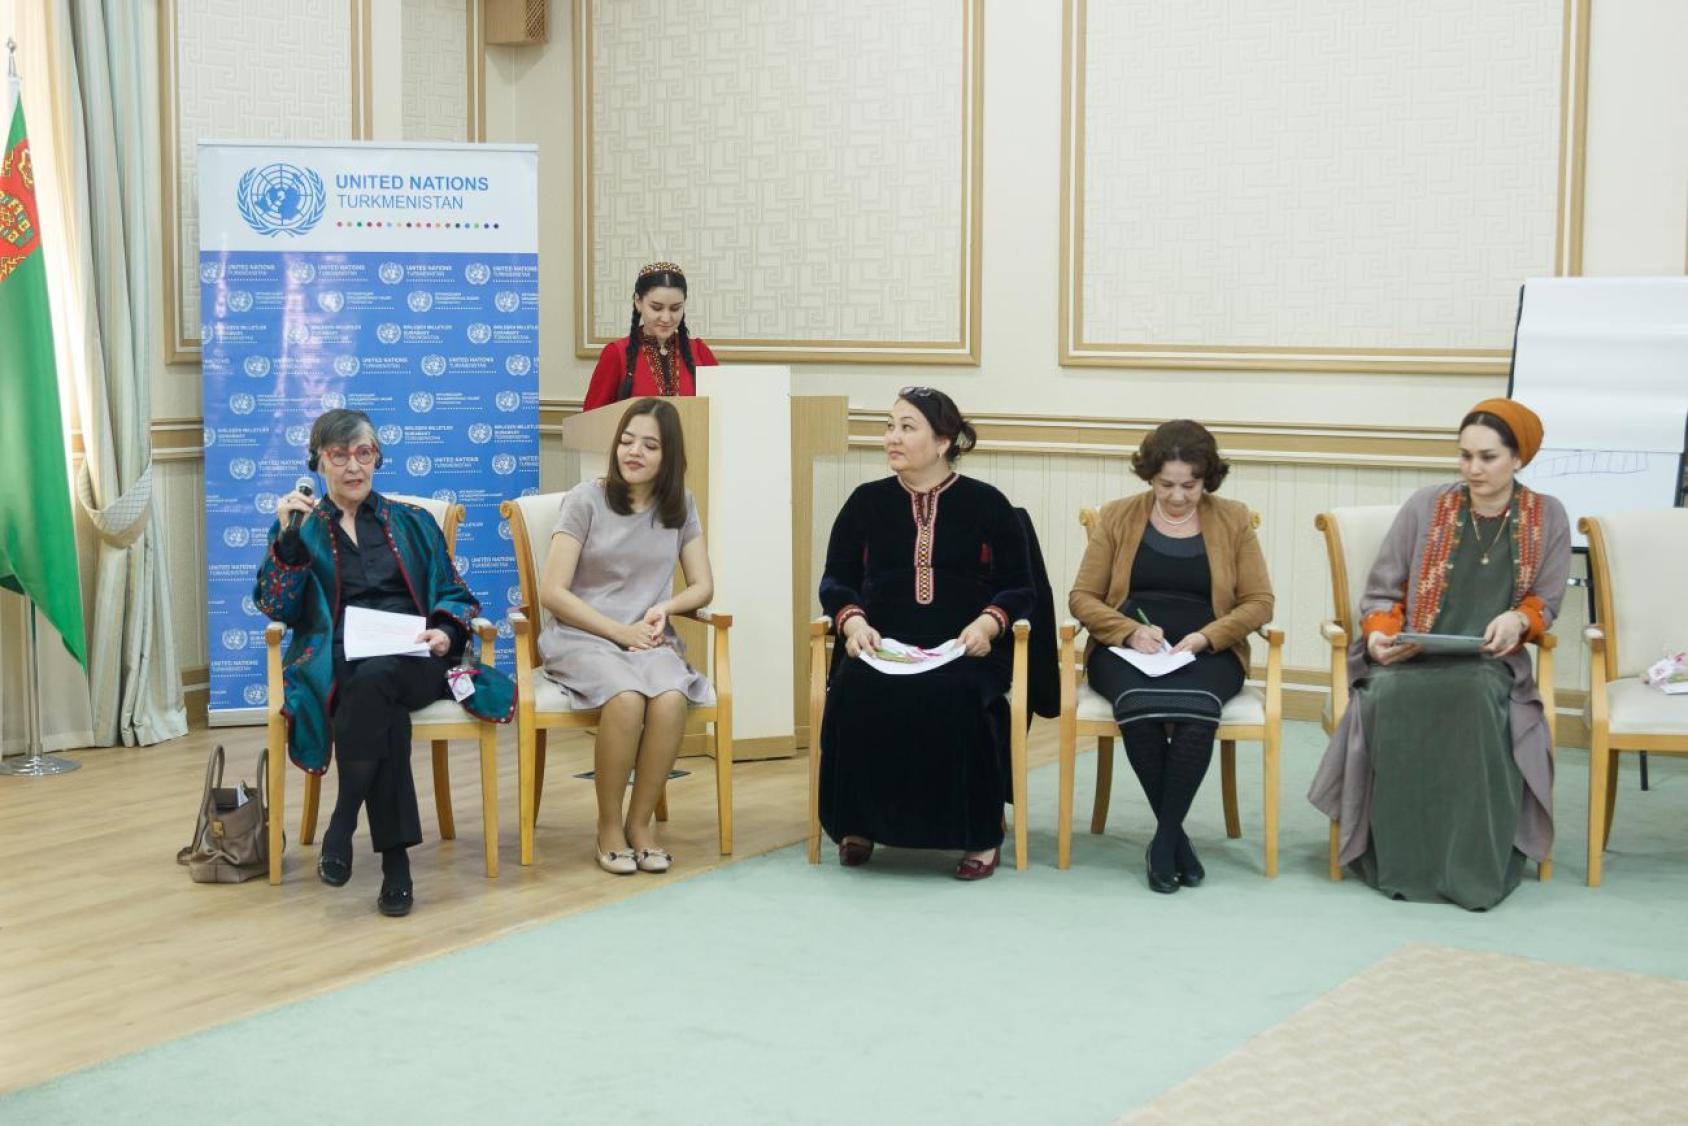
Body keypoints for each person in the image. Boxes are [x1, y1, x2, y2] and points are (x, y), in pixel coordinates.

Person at [1308, 398, 1571, 910]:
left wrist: (1518, 620)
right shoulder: (1426, 506)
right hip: (1411, 658)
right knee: (1384, 695)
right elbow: (1382, 593)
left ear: (1518, 459)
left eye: (1488, 457)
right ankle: (1398, 863)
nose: (1473, 469)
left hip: (1491, 667)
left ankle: (1473, 869)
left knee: (1475, 696)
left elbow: (1547, 601)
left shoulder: (1547, 516)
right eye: (1465, 456)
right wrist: (1382, 634)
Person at [254, 409, 514, 917]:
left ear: (377, 459)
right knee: (380, 706)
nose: (354, 466)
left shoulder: (412, 523)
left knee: (378, 681)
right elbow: (278, 607)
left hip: (415, 657)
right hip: (340, 662)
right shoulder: (300, 529)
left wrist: (446, 630)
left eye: (364, 453)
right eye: (339, 454)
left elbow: (454, 593)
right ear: (318, 462)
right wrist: (287, 544)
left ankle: (343, 820)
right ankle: (396, 866)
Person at [818, 387, 1033, 880]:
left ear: (944, 441)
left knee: (958, 697)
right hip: (880, 643)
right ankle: (861, 823)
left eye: (906, 427)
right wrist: (852, 621)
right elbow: (835, 579)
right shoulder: (865, 502)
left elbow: (1020, 586)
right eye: (889, 426)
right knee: (856, 691)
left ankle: (978, 831)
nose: (891, 438)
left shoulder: (988, 504)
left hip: (964, 647)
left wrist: (988, 623)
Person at [1068, 420, 1274, 893]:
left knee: (1197, 714)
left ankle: (1162, 842)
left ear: (1208, 479)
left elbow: (1259, 602)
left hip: (1207, 649)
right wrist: (1129, 630)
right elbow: (1083, 597)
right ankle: (1174, 839)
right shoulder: (1117, 517)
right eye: (1166, 485)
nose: (1178, 496)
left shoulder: (1234, 519)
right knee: (1140, 709)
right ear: (1149, 477)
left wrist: (1207, 637)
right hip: (1127, 650)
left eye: (1190, 485)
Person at [537, 398, 714, 875]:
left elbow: (703, 585)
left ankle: (641, 825)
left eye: (650, 445)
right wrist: (618, 631)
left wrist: (664, 607)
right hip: (582, 635)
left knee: (672, 697)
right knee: (627, 698)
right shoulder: (585, 500)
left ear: (668, 455)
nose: (633, 451)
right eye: (627, 440)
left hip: (645, 637)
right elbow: (552, 591)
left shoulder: (680, 505)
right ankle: (609, 825)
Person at [581, 262, 718, 411]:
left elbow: (721, 410)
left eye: (675, 308)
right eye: (656, 308)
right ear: (638, 302)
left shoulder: (699, 351)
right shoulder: (616, 354)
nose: (666, 318)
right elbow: (591, 420)